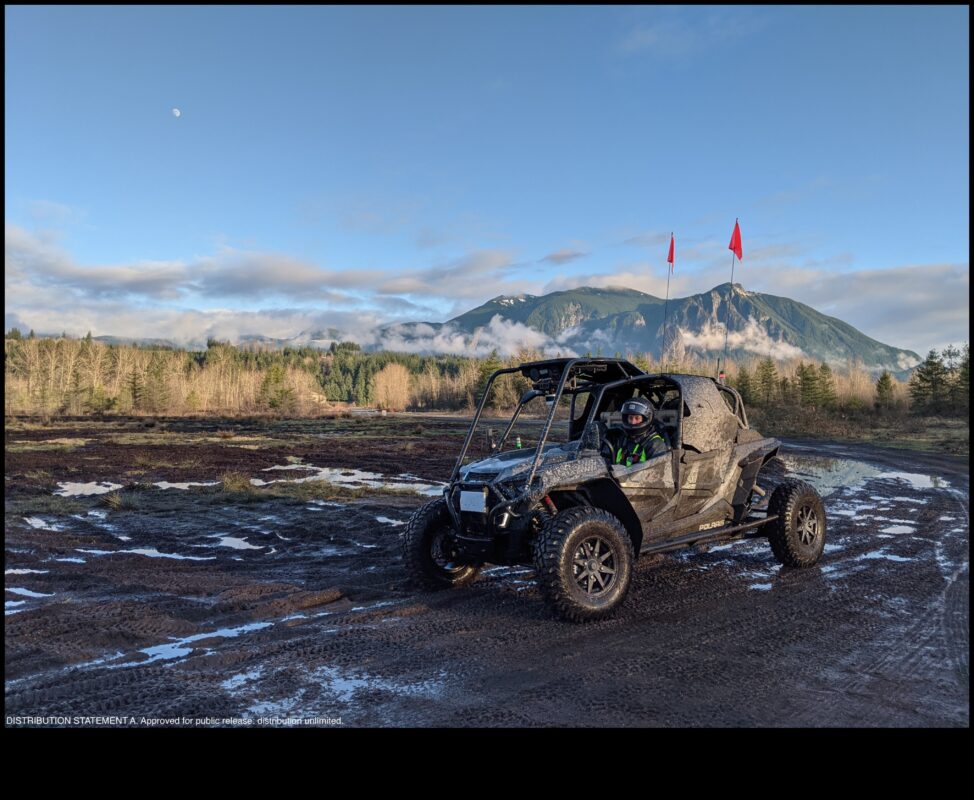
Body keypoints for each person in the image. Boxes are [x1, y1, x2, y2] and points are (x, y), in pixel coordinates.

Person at [604, 397, 670, 467]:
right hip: (616, 477)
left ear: (645, 419)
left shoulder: (655, 444)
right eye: (630, 418)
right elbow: (607, 462)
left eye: (637, 418)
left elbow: (656, 474)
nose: (633, 422)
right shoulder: (621, 439)